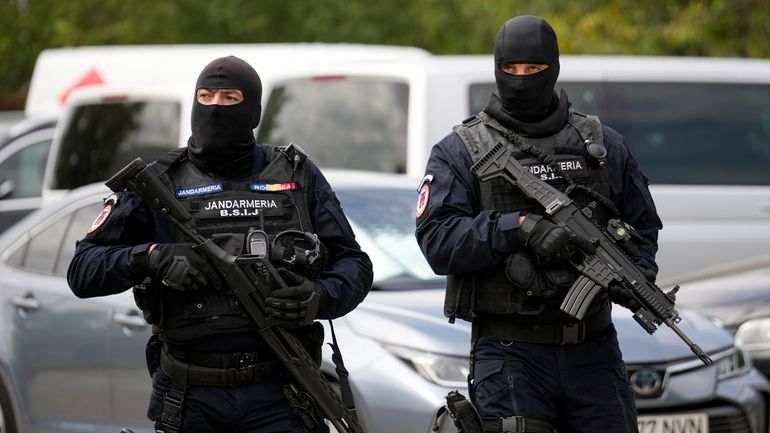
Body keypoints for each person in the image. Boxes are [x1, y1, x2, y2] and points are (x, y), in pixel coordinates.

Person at [68, 55, 373, 433]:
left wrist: (318, 296)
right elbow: (83, 271)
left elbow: (354, 265)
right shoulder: (160, 182)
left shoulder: (297, 175)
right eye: (206, 96)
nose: (215, 108)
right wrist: (152, 256)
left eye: (229, 98)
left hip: (282, 390)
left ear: (253, 111)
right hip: (190, 394)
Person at [415, 15, 662, 433]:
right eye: (510, 69)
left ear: (554, 67)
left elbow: (642, 227)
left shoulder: (601, 146)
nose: (520, 79)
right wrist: (519, 228)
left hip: (593, 349)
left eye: (533, 69)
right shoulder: (460, 150)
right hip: (511, 354)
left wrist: (633, 274)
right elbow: (438, 241)